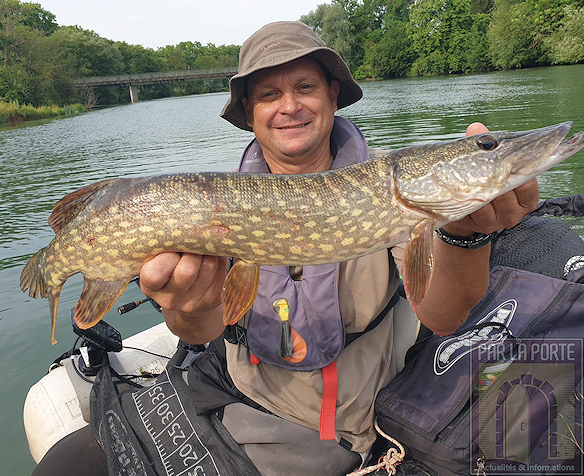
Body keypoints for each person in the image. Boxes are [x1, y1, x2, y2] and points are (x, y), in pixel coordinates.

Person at [33, 21, 539, 476]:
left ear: (333, 96)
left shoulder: (388, 184)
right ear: (250, 114)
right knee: (65, 466)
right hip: (229, 391)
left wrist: (463, 237)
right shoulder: (221, 203)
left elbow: (444, 316)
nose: (290, 105)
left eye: (305, 87)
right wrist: (185, 305)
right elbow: (201, 329)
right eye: (269, 94)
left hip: (333, 432)